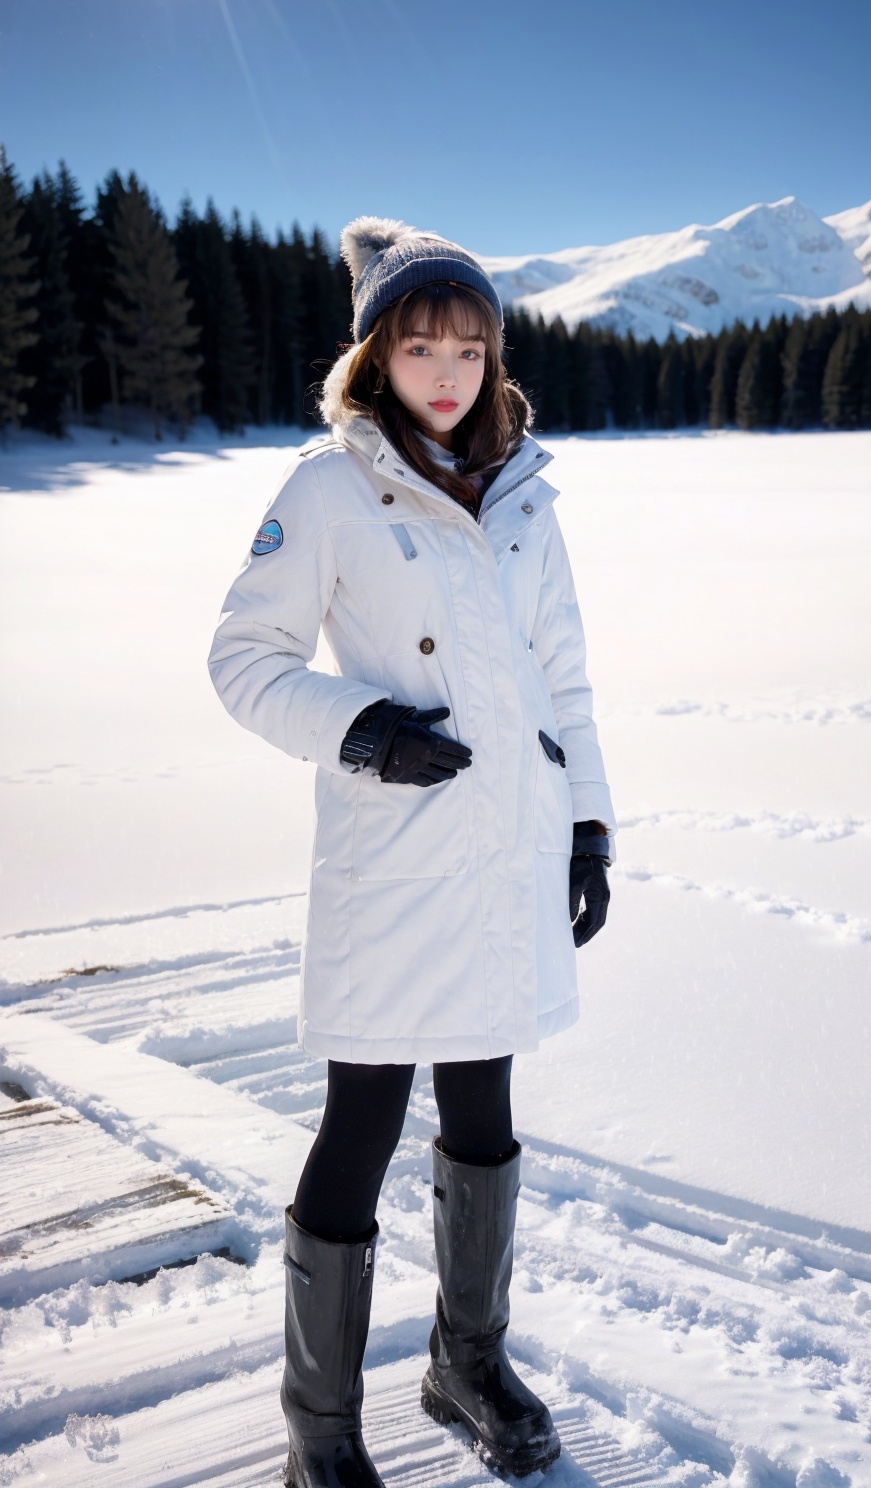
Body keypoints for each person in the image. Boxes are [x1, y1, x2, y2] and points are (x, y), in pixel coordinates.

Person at [208, 217, 616, 1486]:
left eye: (470, 345)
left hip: (504, 855)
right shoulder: (329, 489)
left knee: (484, 1115)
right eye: (421, 343)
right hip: (396, 862)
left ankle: (468, 1361)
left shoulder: (525, 496)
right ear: (375, 351)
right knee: (362, 1124)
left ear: (496, 357)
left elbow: (563, 675)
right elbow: (243, 662)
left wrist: (590, 819)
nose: (445, 370)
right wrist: (364, 731)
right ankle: (318, 1434)